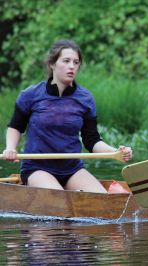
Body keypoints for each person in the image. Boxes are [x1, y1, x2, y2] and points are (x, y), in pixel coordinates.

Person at [2, 39, 132, 193]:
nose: (72, 66)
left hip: (72, 169)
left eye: (76, 62)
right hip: (37, 168)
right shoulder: (30, 95)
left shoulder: (85, 99)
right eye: (66, 61)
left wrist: (115, 152)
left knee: (103, 199)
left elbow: (92, 141)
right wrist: (10, 148)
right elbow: (15, 127)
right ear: (52, 64)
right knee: (60, 199)